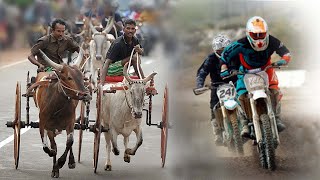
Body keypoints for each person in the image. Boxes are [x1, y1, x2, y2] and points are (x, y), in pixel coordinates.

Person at [220, 16, 291, 136]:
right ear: (248, 33)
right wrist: (224, 68)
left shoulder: (273, 41)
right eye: (255, 35)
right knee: (241, 94)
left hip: (266, 69)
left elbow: (286, 52)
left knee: (274, 91)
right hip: (246, 71)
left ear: (266, 32)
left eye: (261, 34)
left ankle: (277, 117)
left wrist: (284, 60)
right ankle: (244, 123)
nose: (259, 39)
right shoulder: (240, 44)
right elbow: (224, 55)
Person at [195, 34, 239, 145]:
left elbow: (244, 66)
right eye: (220, 51)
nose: (223, 53)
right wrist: (200, 84)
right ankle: (217, 132)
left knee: (245, 98)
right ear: (215, 50)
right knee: (213, 106)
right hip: (217, 86)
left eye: (226, 50)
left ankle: (250, 125)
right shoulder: (211, 58)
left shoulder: (236, 56)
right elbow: (202, 72)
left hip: (235, 83)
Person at [100, 18, 144, 85]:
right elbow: (107, 63)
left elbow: (142, 52)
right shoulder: (118, 43)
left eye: (132, 29)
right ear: (123, 30)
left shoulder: (135, 40)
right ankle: (143, 80)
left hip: (123, 68)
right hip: (111, 69)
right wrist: (101, 83)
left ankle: (142, 79)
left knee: (137, 58)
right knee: (134, 58)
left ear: (135, 30)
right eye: (128, 28)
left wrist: (139, 50)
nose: (130, 31)